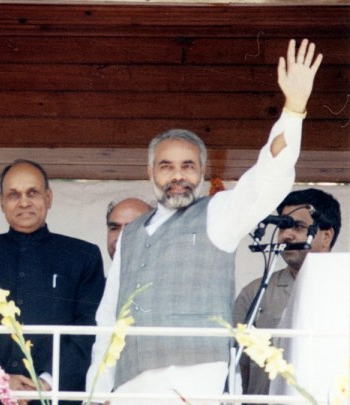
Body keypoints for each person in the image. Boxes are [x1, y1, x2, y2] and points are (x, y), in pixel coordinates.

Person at [87, 38, 323, 401]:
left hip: (200, 380)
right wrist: (97, 391)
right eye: (167, 166)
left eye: (188, 166)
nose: (177, 176)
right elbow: (108, 319)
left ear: (201, 173)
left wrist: (293, 110)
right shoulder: (131, 234)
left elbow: (267, 180)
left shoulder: (217, 214)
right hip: (133, 384)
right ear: (150, 171)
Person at [0, 159, 105, 404]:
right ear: (1, 201)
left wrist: (45, 383)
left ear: (49, 198)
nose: (23, 202)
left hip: (56, 395)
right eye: (13, 195)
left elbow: (88, 331)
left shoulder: (82, 256)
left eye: (32, 193)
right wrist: (0, 380)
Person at [233, 188, 341, 398]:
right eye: (283, 226)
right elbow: (238, 365)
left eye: (298, 227)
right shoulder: (255, 292)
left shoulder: (343, 286)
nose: (286, 235)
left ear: (326, 236)